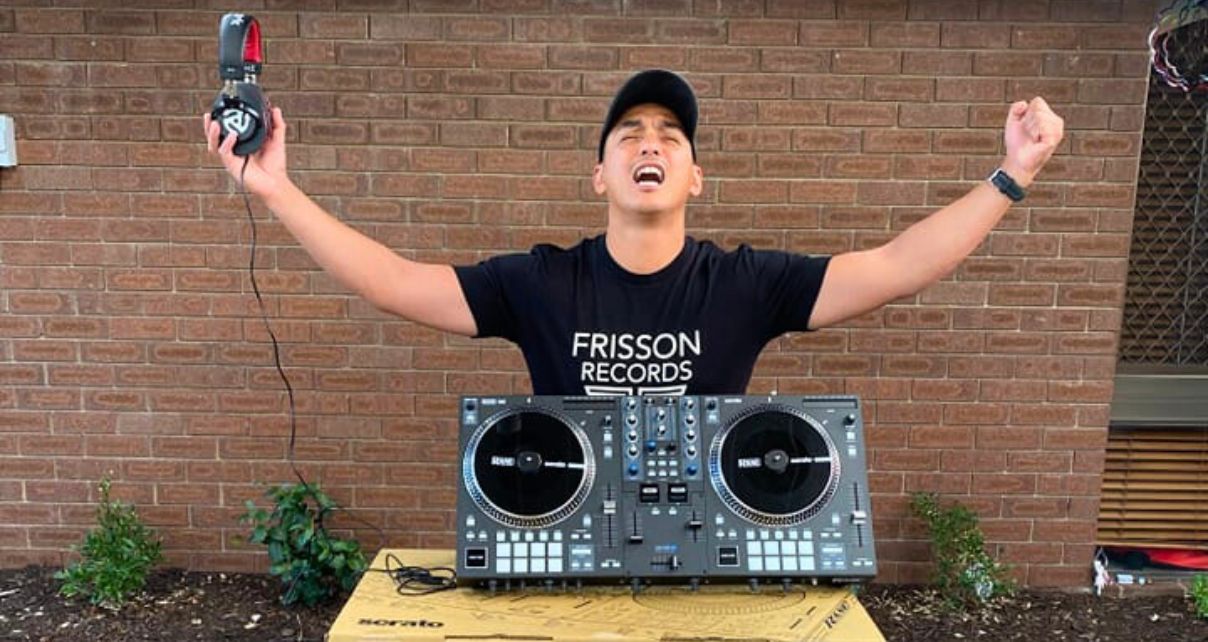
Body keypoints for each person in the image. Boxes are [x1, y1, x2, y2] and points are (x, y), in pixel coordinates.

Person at [203, 69, 1063, 397]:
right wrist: (272, 188)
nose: (650, 143)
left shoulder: (745, 284)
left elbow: (898, 266)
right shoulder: (539, 283)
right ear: (601, 176)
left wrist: (1012, 174)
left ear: (694, 178)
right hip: (564, 564)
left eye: (671, 137)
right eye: (630, 136)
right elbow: (391, 278)